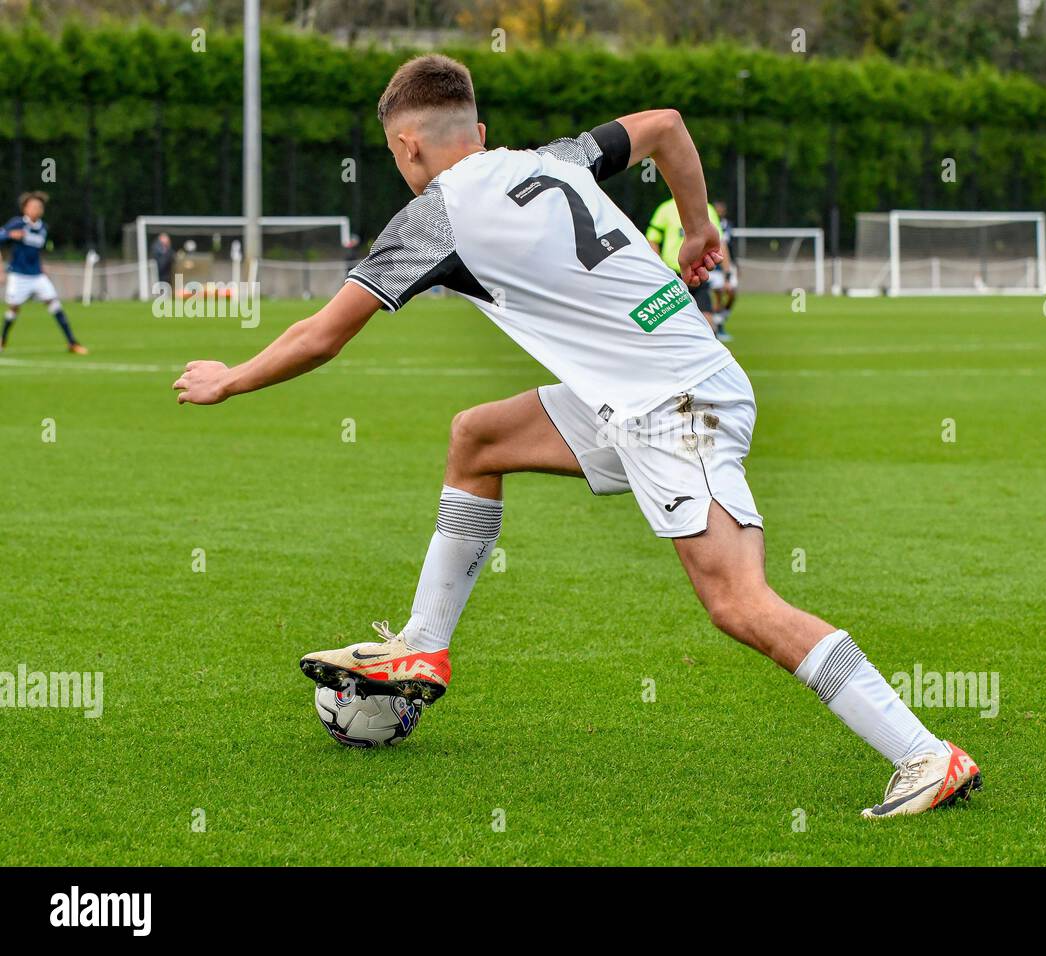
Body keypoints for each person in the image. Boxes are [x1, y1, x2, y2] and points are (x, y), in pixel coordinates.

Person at [171, 54, 981, 819]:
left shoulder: (430, 218)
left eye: (396, 155)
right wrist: (697, 227)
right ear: (479, 132)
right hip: (643, 391)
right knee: (478, 439)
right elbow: (663, 123)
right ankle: (424, 645)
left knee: (738, 602)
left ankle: (923, 755)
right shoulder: (552, 159)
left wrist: (230, 378)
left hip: (676, 407)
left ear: (407, 145)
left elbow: (322, 335)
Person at [1, 191, 87, 354]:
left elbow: (37, 251)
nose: (37, 209)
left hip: (37, 275)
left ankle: (72, 343)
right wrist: (10, 235)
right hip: (18, 274)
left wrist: (42, 267)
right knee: (14, 308)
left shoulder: (43, 228)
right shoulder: (16, 223)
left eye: (39, 206)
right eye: (33, 206)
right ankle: (3, 340)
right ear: (25, 208)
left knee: (54, 303)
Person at [645, 196, 728, 340]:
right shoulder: (667, 209)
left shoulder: (704, 208)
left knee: (705, 319)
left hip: (693, 273)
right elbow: (653, 239)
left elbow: (652, 239)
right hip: (678, 274)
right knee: (673, 323)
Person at [706, 199, 737, 341]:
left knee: (731, 293)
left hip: (726, 264)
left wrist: (732, 266)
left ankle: (719, 321)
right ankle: (717, 328)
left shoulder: (727, 225)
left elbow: (728, 246)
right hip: (713, 266)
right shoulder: (707, 223)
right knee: (717, 295)